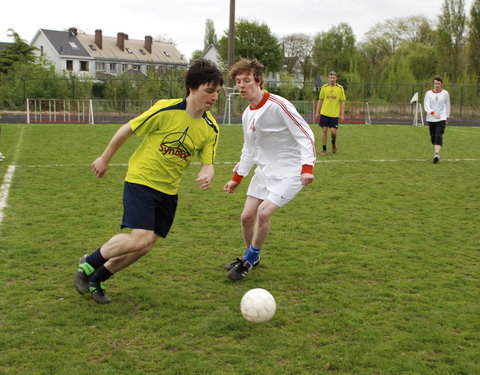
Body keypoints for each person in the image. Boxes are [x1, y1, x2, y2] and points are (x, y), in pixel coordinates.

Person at [74, 59, 223, 303]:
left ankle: (97, 278)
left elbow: (208, 162)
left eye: (217, 91)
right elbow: (128, 129)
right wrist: (104, 158)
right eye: (209, 90)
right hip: (142, 179)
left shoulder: (210, 127)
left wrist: (208, 172)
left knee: (144, 246)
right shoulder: (166, 110)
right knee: (140, 237)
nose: (214, 96)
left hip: (169, 190)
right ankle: (88, 263)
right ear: (192, 88)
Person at [223, 59, 316, 280]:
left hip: (290, 171)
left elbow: (305, 134)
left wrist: (307, 167)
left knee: (263, 213)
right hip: (265, 171)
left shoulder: (278, 105)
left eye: (246, 80)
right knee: (246, 217)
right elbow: (249, 147)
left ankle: (250, 259)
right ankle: (251, 256)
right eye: (238, 82)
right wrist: (237, 177)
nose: (242, 86)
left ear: (259, 81)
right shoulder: (247, 114)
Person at [314, 71, 346, 156]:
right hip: (324, 113)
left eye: (333, 78)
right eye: (330, 77)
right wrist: (317, 112)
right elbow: (320, 100)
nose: (332, 79)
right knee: (324, 130)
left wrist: (342, 114)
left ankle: (333, 143)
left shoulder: (340, 88)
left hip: (334, 114)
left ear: (336, 78)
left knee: (333, 132)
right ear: (328, 78)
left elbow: (342, 101)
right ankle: (324, 149)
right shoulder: (324, 87)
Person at [424, 77, 451, 163]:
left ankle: (436, 154)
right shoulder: (428, 93)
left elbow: (447, 105)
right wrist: (432, 113)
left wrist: (447, 116)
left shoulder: (445, 93)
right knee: (433, 137)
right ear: (433, 84)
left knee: (439, 135)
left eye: (438, 84)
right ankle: (436, 148)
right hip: (431, 118)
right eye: (435, 83)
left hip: (441, 118)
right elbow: (426, 106)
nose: (437, 85)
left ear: (441, 84)